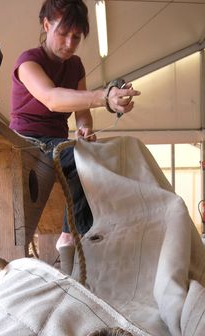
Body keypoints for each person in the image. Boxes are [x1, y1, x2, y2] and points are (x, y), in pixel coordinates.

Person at [10, 0, 140, 271]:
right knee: (80, 158)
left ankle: (76, 238)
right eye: (63, 33)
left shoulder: (76, 66)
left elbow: (81, 111)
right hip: (25, 142)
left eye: (76, 37)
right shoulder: (28, 62)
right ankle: (77, 240)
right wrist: (104, 97)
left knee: (99, 155)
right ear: (46, 26)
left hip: (58, 141)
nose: (69, 43)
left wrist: (84, 128)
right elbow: (52, 99)